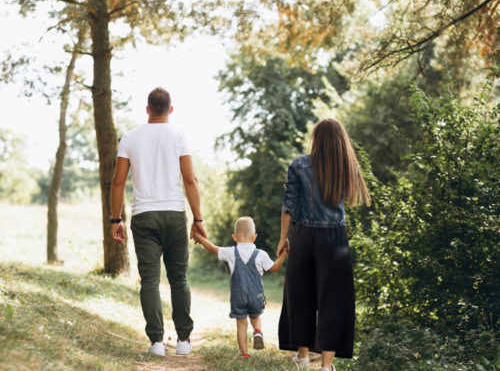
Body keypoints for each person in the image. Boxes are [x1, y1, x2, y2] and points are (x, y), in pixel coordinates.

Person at [110, 87, 207, 357]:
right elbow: (191, 180)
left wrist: (115, 219)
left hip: (143, 216)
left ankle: (156, 343)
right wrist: (198, 219)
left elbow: (118, 181)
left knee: (150, 280)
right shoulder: (179, 136)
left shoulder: (129, 137)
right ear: (171, 110)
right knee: (179, 278)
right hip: (175, 215)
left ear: (147, 108)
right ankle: (184, 341)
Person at [277, 118, 371, 371]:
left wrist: (283, 238)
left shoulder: (299, 165)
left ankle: (303, 357)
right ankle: (327, 366)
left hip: (304, 235)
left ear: (316, 138)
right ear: (340, 139)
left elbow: (289, 205)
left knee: (300, 295)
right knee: (333, 301)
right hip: (335, 241)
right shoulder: (346, 165)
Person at [194, 216, 287, 359]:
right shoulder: (261, 254)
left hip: (238, 296)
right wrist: (284, 255)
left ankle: (244, 354)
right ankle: (257, 331)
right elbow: (274, 268)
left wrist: (198, 237)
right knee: (255, 317)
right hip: (256, 295)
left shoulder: (231, 252)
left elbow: (212, 248)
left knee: (241, 324)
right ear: (254, 237)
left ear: (234, 237)